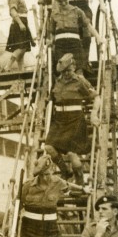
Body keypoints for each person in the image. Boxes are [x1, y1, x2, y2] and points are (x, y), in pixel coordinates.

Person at [44, 53, 100, 184]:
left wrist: (94, 114)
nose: (66, 74)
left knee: (72, 153)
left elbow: (97, 97)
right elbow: (50, 101)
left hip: (75, 120)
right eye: (63, 72)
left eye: (68, 70)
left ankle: (79, 180)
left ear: (74, 67)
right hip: (59, 120)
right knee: (48, 147)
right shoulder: (57, 82)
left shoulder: (80, 81)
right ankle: (65, 171)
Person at [49, 0, 102, 76]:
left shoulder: (77, 11)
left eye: (65, 0)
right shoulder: (54, 14)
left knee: (78, 70)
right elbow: (51, 32)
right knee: (62, 72)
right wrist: (51, 42)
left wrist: (98, 37)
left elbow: (88, 25)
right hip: (60, 46)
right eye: (60, 2)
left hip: (75, 45)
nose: (63, 3)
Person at [4, 0, 34, 72]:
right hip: (18, 24)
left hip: (23, 23)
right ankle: (7, 66)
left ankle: (21, 71)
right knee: (21, 47)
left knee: (22, 50)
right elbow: (13, 11)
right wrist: (20, 23)